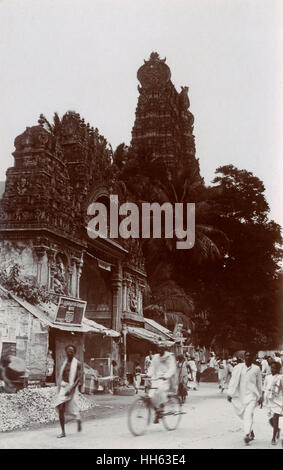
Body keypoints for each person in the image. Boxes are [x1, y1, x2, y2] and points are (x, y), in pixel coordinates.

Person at [227, 351, 263, 445]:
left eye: (250, 356)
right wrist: (230, 393)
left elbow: (259, 384)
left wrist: (260, 396)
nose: (248, 357)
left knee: (248, 413)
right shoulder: (238, 367)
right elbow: (233, 380)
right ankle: (250, 430)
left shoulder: (256, 369)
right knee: (242, 414)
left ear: (253, 357)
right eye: (246, 356)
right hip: (240, 395)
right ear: (244, 357)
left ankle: (247, 434)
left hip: (252, 396)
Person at [54, 345, 82, 438]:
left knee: (74, 408)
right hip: (63, 387)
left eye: (72, 351)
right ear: (66, 352)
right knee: (60, 408)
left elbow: (79, 378)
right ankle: (63, 432)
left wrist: (71, 388)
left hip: (72, 388)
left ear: (74, 353)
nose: (70, 353)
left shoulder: (77, 363)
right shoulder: (64, 363)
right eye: (68, 351)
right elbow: (61, 375)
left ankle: (78, 420)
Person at [147, 344, 177, 423]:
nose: (159, 351)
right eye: (158, 349)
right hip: (156, 379)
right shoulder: (155, 357)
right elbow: (152, 367)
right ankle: (157, 411)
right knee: (150, 396)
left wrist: (166, 376)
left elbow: (172, 368)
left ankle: (161, 408)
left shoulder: (169, 357)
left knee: (161, 392)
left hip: (166, 379)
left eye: (161, 349)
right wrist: (148, 374)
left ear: (164, 349)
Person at [262, 361, 283, 445]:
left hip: (278, 400)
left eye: (274, 367)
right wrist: (262, 398)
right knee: (270, 420)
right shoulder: (267, 377)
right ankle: (277, 429)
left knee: (275, 417)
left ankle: (273, 437)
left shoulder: (281, 378)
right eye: (271, 367)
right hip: (269, 401)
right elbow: (264, 389)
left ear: (278, 369)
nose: (272, 369)